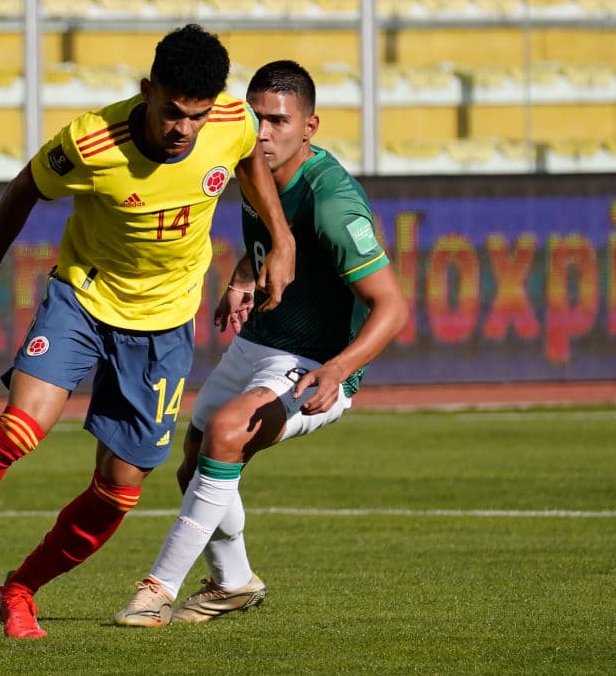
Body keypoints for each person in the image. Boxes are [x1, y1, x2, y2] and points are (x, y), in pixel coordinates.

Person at [0, 24, 297, 640]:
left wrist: (282, 236)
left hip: (164, 326)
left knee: (118, 491)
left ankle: (21, 589)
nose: (182, 130)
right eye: (170, 113)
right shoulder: (91, 141)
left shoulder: (232, 121)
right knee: (17, 430)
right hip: (82, 298)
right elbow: (27, 187)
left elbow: (248, 164)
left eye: (194, 116)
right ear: (147, 92)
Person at [113, 59, 409, 627]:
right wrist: (244, 279)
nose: (265, 131)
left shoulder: (331, 200)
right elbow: (278, 243)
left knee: (226, 433)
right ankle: (234, 583)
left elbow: (392, 307)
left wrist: (337, 369)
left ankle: (156, 590)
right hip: (260, 338)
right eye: (257, 118)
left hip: (315, 363)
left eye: (279, 121)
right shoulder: (250, 163)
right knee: (195, 464)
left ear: (310, 127)